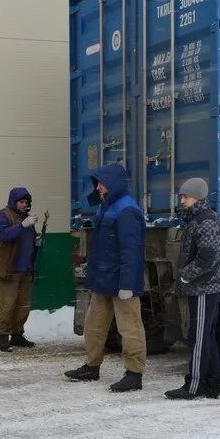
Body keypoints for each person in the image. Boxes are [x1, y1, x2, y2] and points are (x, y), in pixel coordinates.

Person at [64, 163, 146, 392]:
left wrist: (128, 285)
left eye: (101, 183)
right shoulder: (107, 207)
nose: (98, 187)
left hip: (122, 283)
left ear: (112, 183)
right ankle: (91, 366)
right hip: (103, 280)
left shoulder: (127, 210)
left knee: (129, 328)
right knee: (94, 325)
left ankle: (134, 374)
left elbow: (132, 251)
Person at [165, 177, 220, 400]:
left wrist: (184, 276)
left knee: (198, 338)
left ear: (198, 197)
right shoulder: (196, 219)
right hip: (203, 287)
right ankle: (213, 385)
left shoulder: (205, 221)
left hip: (204, 288)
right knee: (206, 337)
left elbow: (207, 258)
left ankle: (194, 386)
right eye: (181, 196)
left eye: (186, 196)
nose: (182, 200)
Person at [0, 187, 38, 352]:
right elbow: (4, 234)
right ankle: (3, 336)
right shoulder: (2, 215)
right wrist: (23, 225)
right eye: (21, 202)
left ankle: (17, 334)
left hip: (25, 269)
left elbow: (28, 239)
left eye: (26, 202)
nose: (24, 205)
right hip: (9, 269)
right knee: (8, 305)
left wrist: (36, 242)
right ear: (13, 201)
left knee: (23, 305)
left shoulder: (26, 218)